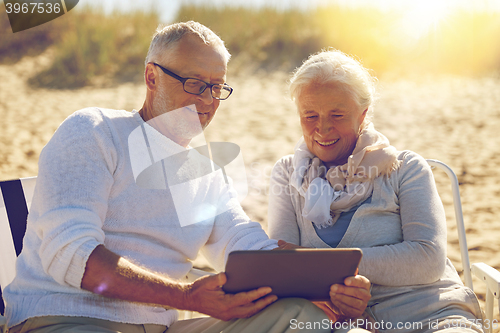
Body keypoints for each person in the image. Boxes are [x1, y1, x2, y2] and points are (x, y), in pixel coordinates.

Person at [3, 22, 370, 333]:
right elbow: (69, 253)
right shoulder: (94, 131)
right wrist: (185, 297)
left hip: (161, 328)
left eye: (217, 87)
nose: (208, 100)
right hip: (66, 319)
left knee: (302, 318)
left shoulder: (203, 171)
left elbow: (242, 243)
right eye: (195, 83)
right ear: (152, 76)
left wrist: (323, 282)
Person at [268, 49, 484, 333]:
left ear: (363, 114)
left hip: (431, 313)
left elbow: (428, 258)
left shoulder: (405, 167)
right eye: (310, 115)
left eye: (337, 114)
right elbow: (284, 267)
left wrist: (323, 265)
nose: (322, 128)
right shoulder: (287, 174)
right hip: (342, 323)